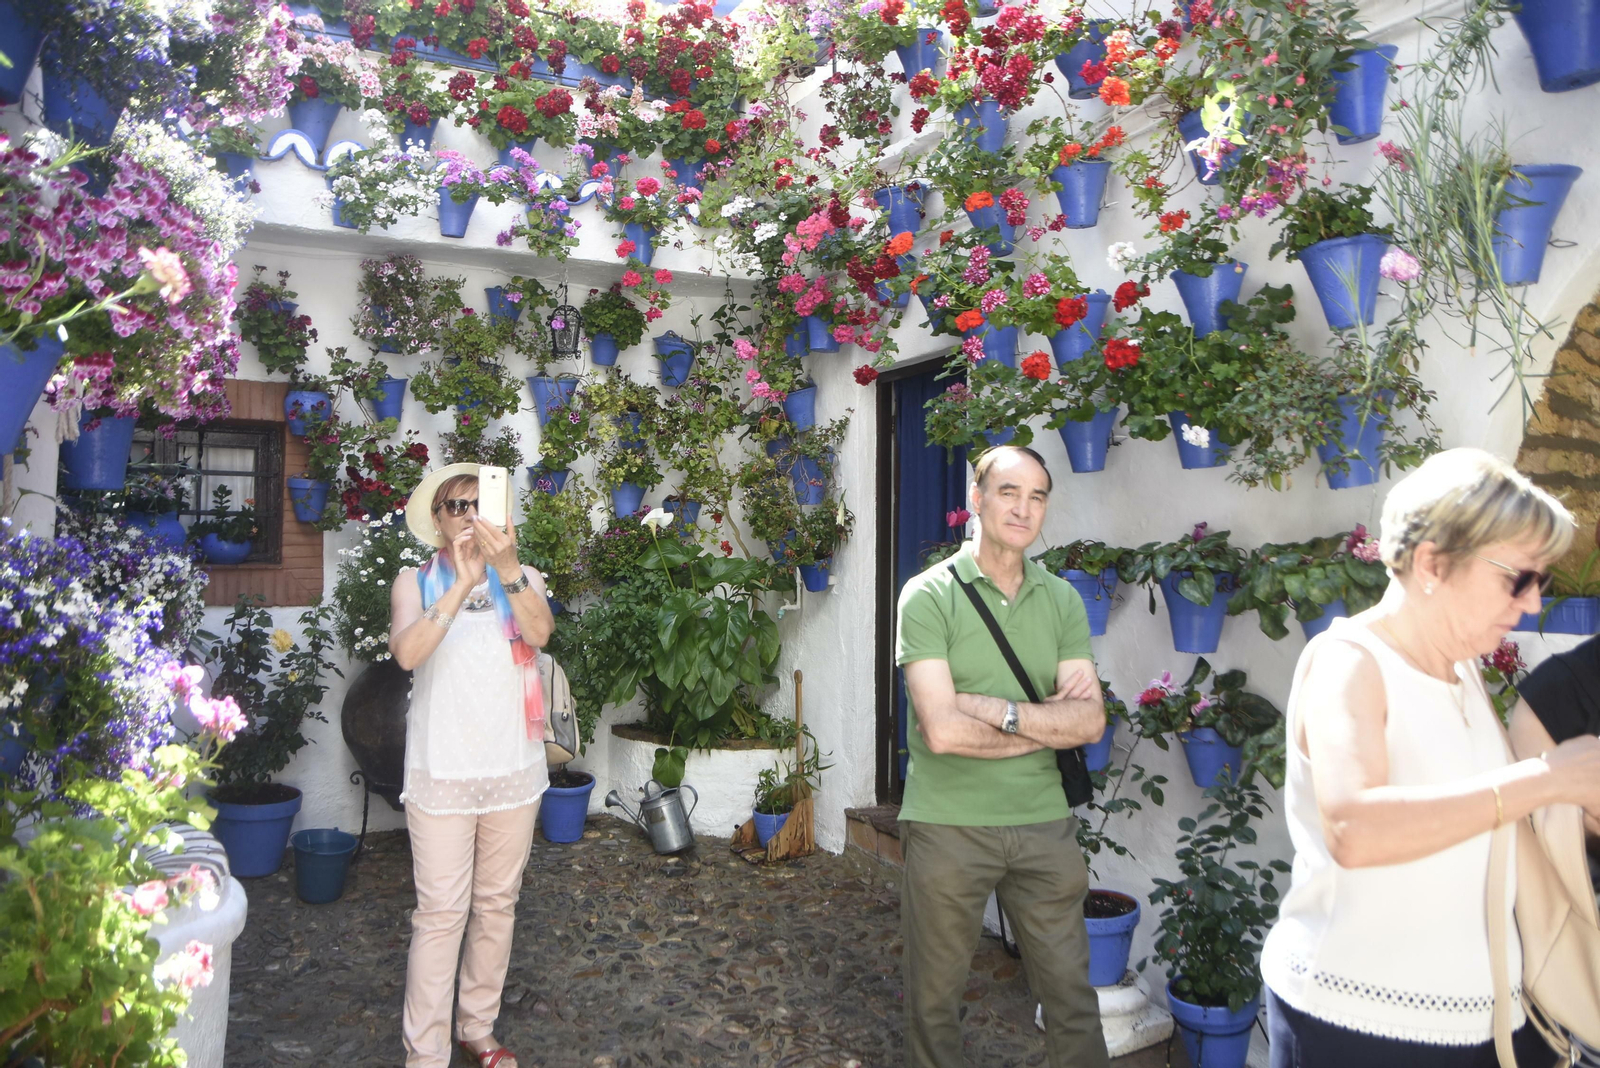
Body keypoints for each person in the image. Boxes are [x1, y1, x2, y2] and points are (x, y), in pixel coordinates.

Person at [1260, 448, 1600, 1068]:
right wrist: (1545, 779)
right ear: (1432, 563)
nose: (1531, 605)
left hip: (1481, 1025)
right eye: (1519, 579)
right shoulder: (1350, 661)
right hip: (1358, 1029)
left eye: (1542, 583)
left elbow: (1478, 827)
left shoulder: (1460, 669)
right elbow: (1354, 828)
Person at [895, 445, 1110, 1068]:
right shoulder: (929, 596)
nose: (1023, 508)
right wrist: (1048, 723)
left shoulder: (1063, 600)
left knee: (1072, 997)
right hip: (948, 824)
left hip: (1044, 823)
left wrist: (995, 710)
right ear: (977, 500)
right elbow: (941, 733)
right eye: (1009, 492)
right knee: (935, 1002)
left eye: (1037, 496)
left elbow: (1090, 721)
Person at [389, 463, 555, 1068]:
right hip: (443, 773)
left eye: (475, 504)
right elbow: (407, 654)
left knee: (496, 905)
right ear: (437, 521)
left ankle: (476, 1027)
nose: (465, 515)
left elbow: (539, 634)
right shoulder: (416, 582)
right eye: (453, 507)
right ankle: (425, 1052)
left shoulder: (523, 576)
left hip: (513, 768)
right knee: (439, 915)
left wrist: (506, 570)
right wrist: (460, 584)